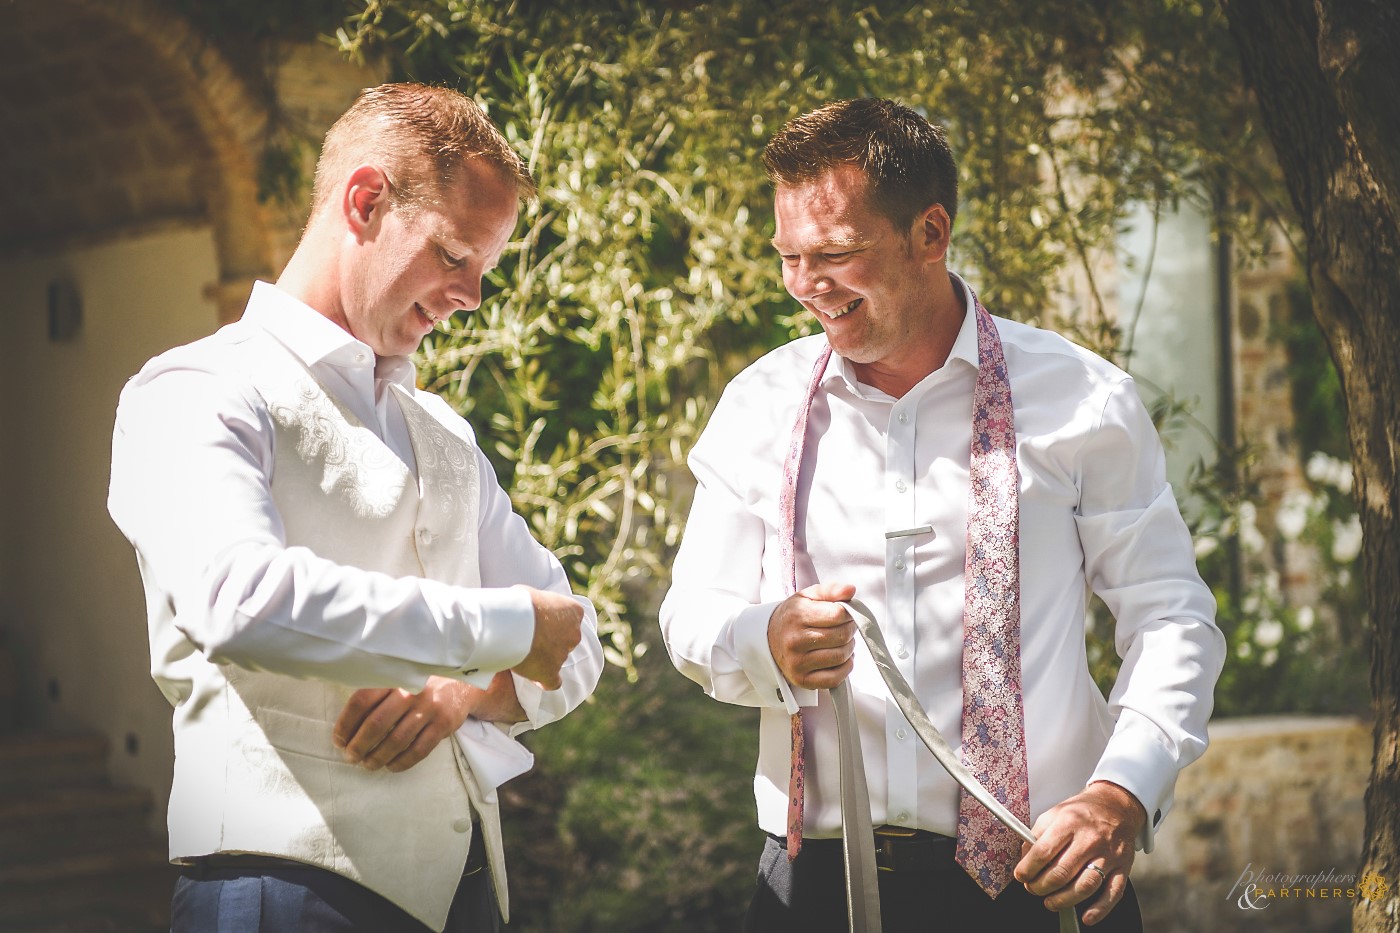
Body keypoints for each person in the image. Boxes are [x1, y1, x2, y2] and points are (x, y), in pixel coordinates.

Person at [659, 98, 1224, 931]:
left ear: (931, 232)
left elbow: (1173, 617)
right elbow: (689, 614)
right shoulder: (760, 405)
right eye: (789, 256)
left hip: (1039, 883)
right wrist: (763, 637)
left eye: (838, 253)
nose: (808, 285)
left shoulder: (1083, 400)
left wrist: (1122, 791)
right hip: (812, 889)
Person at [108, 83, 604, 933]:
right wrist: (498, 631)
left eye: (484, 268)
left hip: (468, 892)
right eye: (454, 254)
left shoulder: (442, 429)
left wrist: (466, 694)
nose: (472, 295)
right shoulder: (196, 388)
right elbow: (240, 598)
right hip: (279, 887)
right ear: (366, 201)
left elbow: (574, 638)